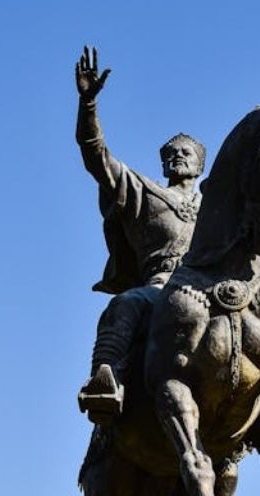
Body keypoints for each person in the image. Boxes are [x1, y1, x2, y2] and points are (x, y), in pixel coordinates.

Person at [73, 46, 205, 422]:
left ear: (200, 164)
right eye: (172, 153)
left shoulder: (216, 205)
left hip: (214, 287)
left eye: (187, 152)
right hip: (161, 286)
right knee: (126, 303)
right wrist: (89, 104)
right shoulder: (143, 191)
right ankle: (107, 379)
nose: (178, 156)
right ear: (163, 162)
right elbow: (95, 156)